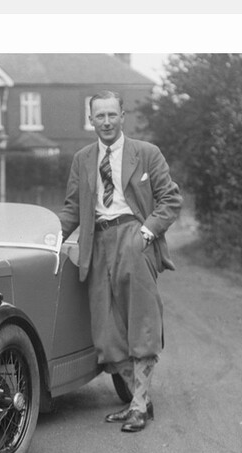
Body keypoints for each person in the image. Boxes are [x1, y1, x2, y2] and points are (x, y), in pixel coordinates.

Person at [59, 90, 181, 432]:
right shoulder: (83, 159)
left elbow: (170, 201)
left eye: (112, 115)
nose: (107, 122)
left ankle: (139, 404)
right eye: (100, 116)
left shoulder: (146, 153)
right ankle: (138, 400)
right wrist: (48, 235)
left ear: (123, 116)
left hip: (133, 237)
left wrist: (146, 234)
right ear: (91, 120)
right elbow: (72, 209)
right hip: (96, 243)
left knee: (141, 323)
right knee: (106, 332)